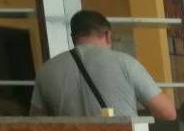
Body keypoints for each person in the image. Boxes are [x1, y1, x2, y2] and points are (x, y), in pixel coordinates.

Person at [30, 10, 176, 121]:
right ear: (107, 35)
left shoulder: (47, 70)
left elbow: (36, 121)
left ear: (73, 38)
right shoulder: (124, 63)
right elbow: (167, 113)